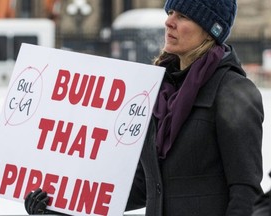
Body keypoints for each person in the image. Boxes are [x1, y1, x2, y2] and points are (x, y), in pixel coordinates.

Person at [24, 0, 264, 215]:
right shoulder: (158, 91)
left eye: (183, 16)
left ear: (211, 30)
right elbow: (146, 185)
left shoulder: (233, 92)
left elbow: (245, 192)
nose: (169, 22)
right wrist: (60, 202)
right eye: (170, 12)